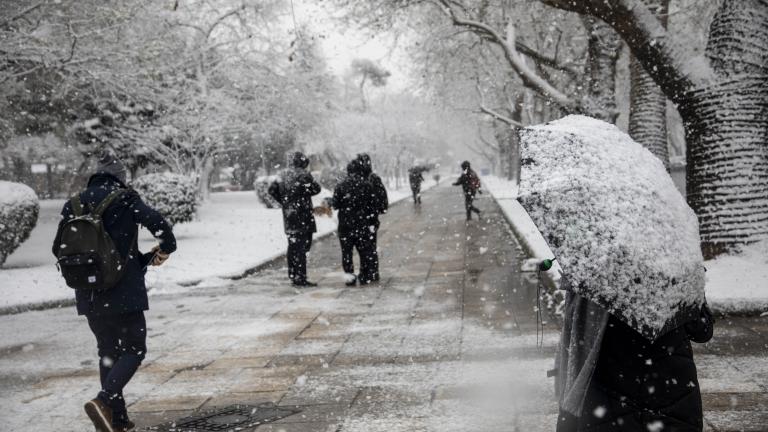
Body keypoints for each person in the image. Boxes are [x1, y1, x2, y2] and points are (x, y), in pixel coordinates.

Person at [52, 152, 176, 432]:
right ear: (120, 178)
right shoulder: (125, 199)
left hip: (89, 292)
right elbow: (162, 228)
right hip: (124, 292)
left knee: (108, 352)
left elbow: (56, 248)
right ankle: (104, 400)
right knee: (134, 350)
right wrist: (164, 250)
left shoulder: (73, 203)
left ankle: (117, 420)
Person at [555, 287, 714, 431]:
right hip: (670, 390)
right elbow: (702, 330)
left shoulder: (594, 274)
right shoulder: (676, 270)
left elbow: (574, 340)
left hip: (609, 393)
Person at [269, 151, 321, 287]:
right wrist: (303, 192)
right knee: (302, 247)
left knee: (293, 246)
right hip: (303, 215)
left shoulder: (282, 175)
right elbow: (316, 189)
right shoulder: (303, 174)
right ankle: (300, 277)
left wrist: (285, 202)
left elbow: (271, 190)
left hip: (289, 215)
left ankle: (293, 274)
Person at [332, 159, 377, 286]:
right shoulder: (366, 185)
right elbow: (372, 206)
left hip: (345, 224)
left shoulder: (341, 185)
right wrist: (372, 222)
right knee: (364, 251)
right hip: (361, 223)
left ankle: (349, 277)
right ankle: (364, 275)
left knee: (347, 252)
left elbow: (335, 204)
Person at [355, 153, 388, 282]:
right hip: (370, 218)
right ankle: (372, 271)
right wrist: (377, 210)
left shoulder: (358, 179)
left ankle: (366, 271)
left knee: (363, 246)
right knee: (370, 245)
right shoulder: (373, 178)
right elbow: (383, 198)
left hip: (360, 218)